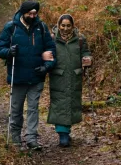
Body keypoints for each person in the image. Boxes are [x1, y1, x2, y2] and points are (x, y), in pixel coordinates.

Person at [0, 0, 56, 150]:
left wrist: (46, 67)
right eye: (30, 13)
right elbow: (0, 49)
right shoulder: (11, 28)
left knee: (33, 108)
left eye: (35, 13)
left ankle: (31, 138)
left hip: (36, 76)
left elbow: (51, 49)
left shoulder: (41, 28)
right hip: (17, 76)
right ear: (23, 12)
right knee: (16, 109)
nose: (33, 15)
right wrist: (9, 52)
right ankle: (15, 136)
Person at [47, 14, 92, 147]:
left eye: (68, 26)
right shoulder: (52, 39)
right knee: (59, 103)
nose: (65, 28)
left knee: (72, 103)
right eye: (63, 25)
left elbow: (86, 52)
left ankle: (66, 131)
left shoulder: (80, 39)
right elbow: (45, 53)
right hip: (57, 76)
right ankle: (62, 134)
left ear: (73, 26)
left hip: (74, 76)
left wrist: (88, 59)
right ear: (58, 25)